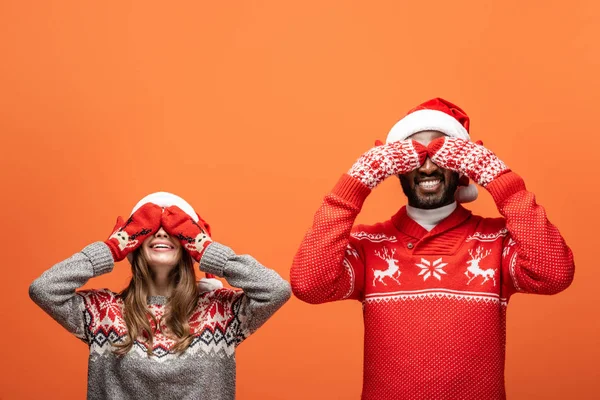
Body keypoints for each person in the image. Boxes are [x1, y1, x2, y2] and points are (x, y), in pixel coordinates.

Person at [290, 98, 575, 399]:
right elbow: (310, 285)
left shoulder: (497, 241)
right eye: (414, 156)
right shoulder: (369, 246)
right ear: (394, 167)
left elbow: (554, 274)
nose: (427, 167)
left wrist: (500, 179)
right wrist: (356, 183)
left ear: (463, 164)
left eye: (442, 152)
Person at [30, 192, 291, 400]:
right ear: (133, 242)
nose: (162, 233)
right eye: (149, 227)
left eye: (175, 229)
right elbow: (45, 289)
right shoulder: (102, 312)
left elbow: (275, 290)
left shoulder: (219, 312)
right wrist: (111, 249)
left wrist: (208, 251)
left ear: (190, 243)